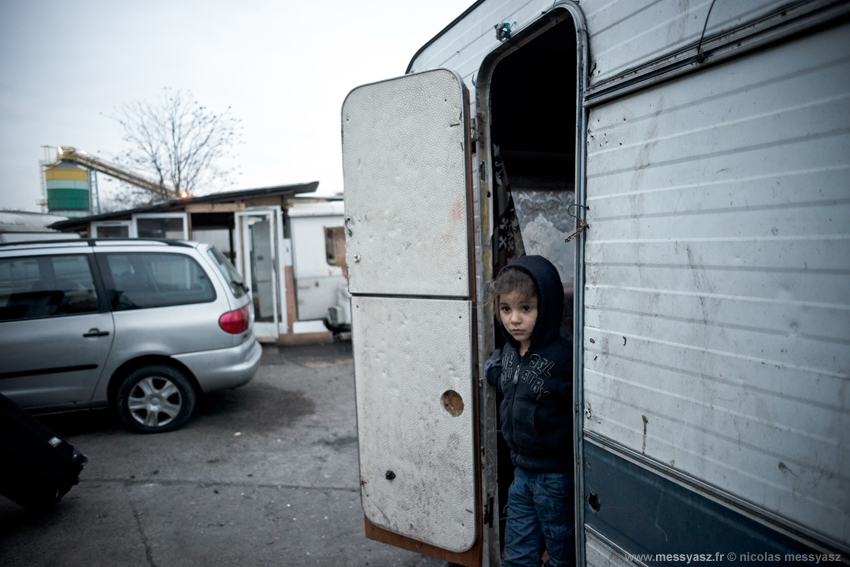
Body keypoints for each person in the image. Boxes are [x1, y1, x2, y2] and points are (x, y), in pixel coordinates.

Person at [486, 255, 574, 567]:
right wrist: (488, 372)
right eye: (506, 309)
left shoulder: (564, 359)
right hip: (521, 472)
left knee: (562, 551)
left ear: (546, 309)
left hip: (556, 478)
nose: (514, 320)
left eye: (526, 309)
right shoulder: (509, 353)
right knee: (519, 549)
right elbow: (511, 385)